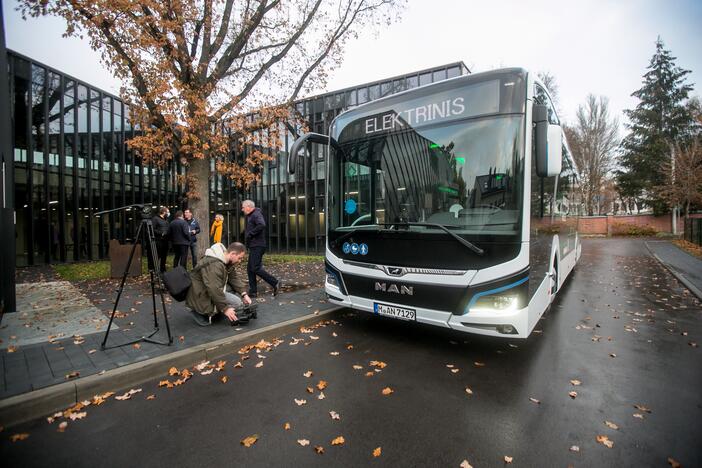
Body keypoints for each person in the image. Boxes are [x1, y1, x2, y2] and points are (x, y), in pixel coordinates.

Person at [185, 242, 252, 326]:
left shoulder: (225, 261)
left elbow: (233, 278)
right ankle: (199, 311)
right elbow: (214, 289)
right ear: (233, 254)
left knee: (233, 294)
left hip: (206, 289)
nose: (240, 261)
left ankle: (216, 308)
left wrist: (244, 294)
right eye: (239, 258)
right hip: (199, 294)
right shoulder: (214, 265)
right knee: (237, 303)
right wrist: (225, 309)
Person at [242, 199, 279, 297]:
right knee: (250, 269)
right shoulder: (251, 215)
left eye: (243, 207)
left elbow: (262, 224)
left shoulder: (256, 214)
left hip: (258, 245)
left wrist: (250, 234)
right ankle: (253, 292)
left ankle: (274, 282)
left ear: (249, 207)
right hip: (255, 245)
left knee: (255, 267)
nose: (242, 209)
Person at [151, 206, 170, 273]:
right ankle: (154, 269)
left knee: (164, 256)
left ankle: (163, 269)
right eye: (167, 212)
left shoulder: (166, 219)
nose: (168, 213)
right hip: (159, 241)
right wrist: (160, 233)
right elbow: (152, 229)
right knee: (158, 255)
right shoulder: (155, 219)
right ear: (164, 212)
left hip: (165, 240)